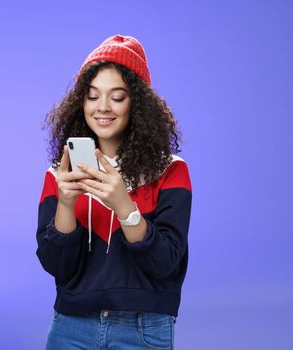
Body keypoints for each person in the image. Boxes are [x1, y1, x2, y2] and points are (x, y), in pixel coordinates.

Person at [36, 34, 192, 349]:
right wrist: (66, 204)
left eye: (117, 97)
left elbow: (165, 264)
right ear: (80, 102)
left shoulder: (171, 171)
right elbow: (58, 268)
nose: (102, 107)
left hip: (143, 329)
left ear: (138, 103)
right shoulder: (60, 174)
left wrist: (124, 205)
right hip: (71, 327)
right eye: (92, 96)